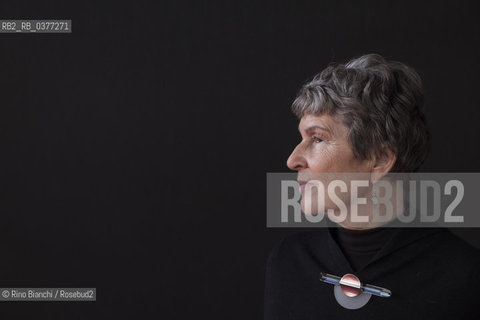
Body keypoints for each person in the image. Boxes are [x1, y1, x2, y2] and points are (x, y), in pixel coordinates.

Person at [264, 54, 480, 319]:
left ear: (379, 159)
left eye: (318, 138)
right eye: (301, 138)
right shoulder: (289, 262)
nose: (293, 160)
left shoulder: (465, 277)